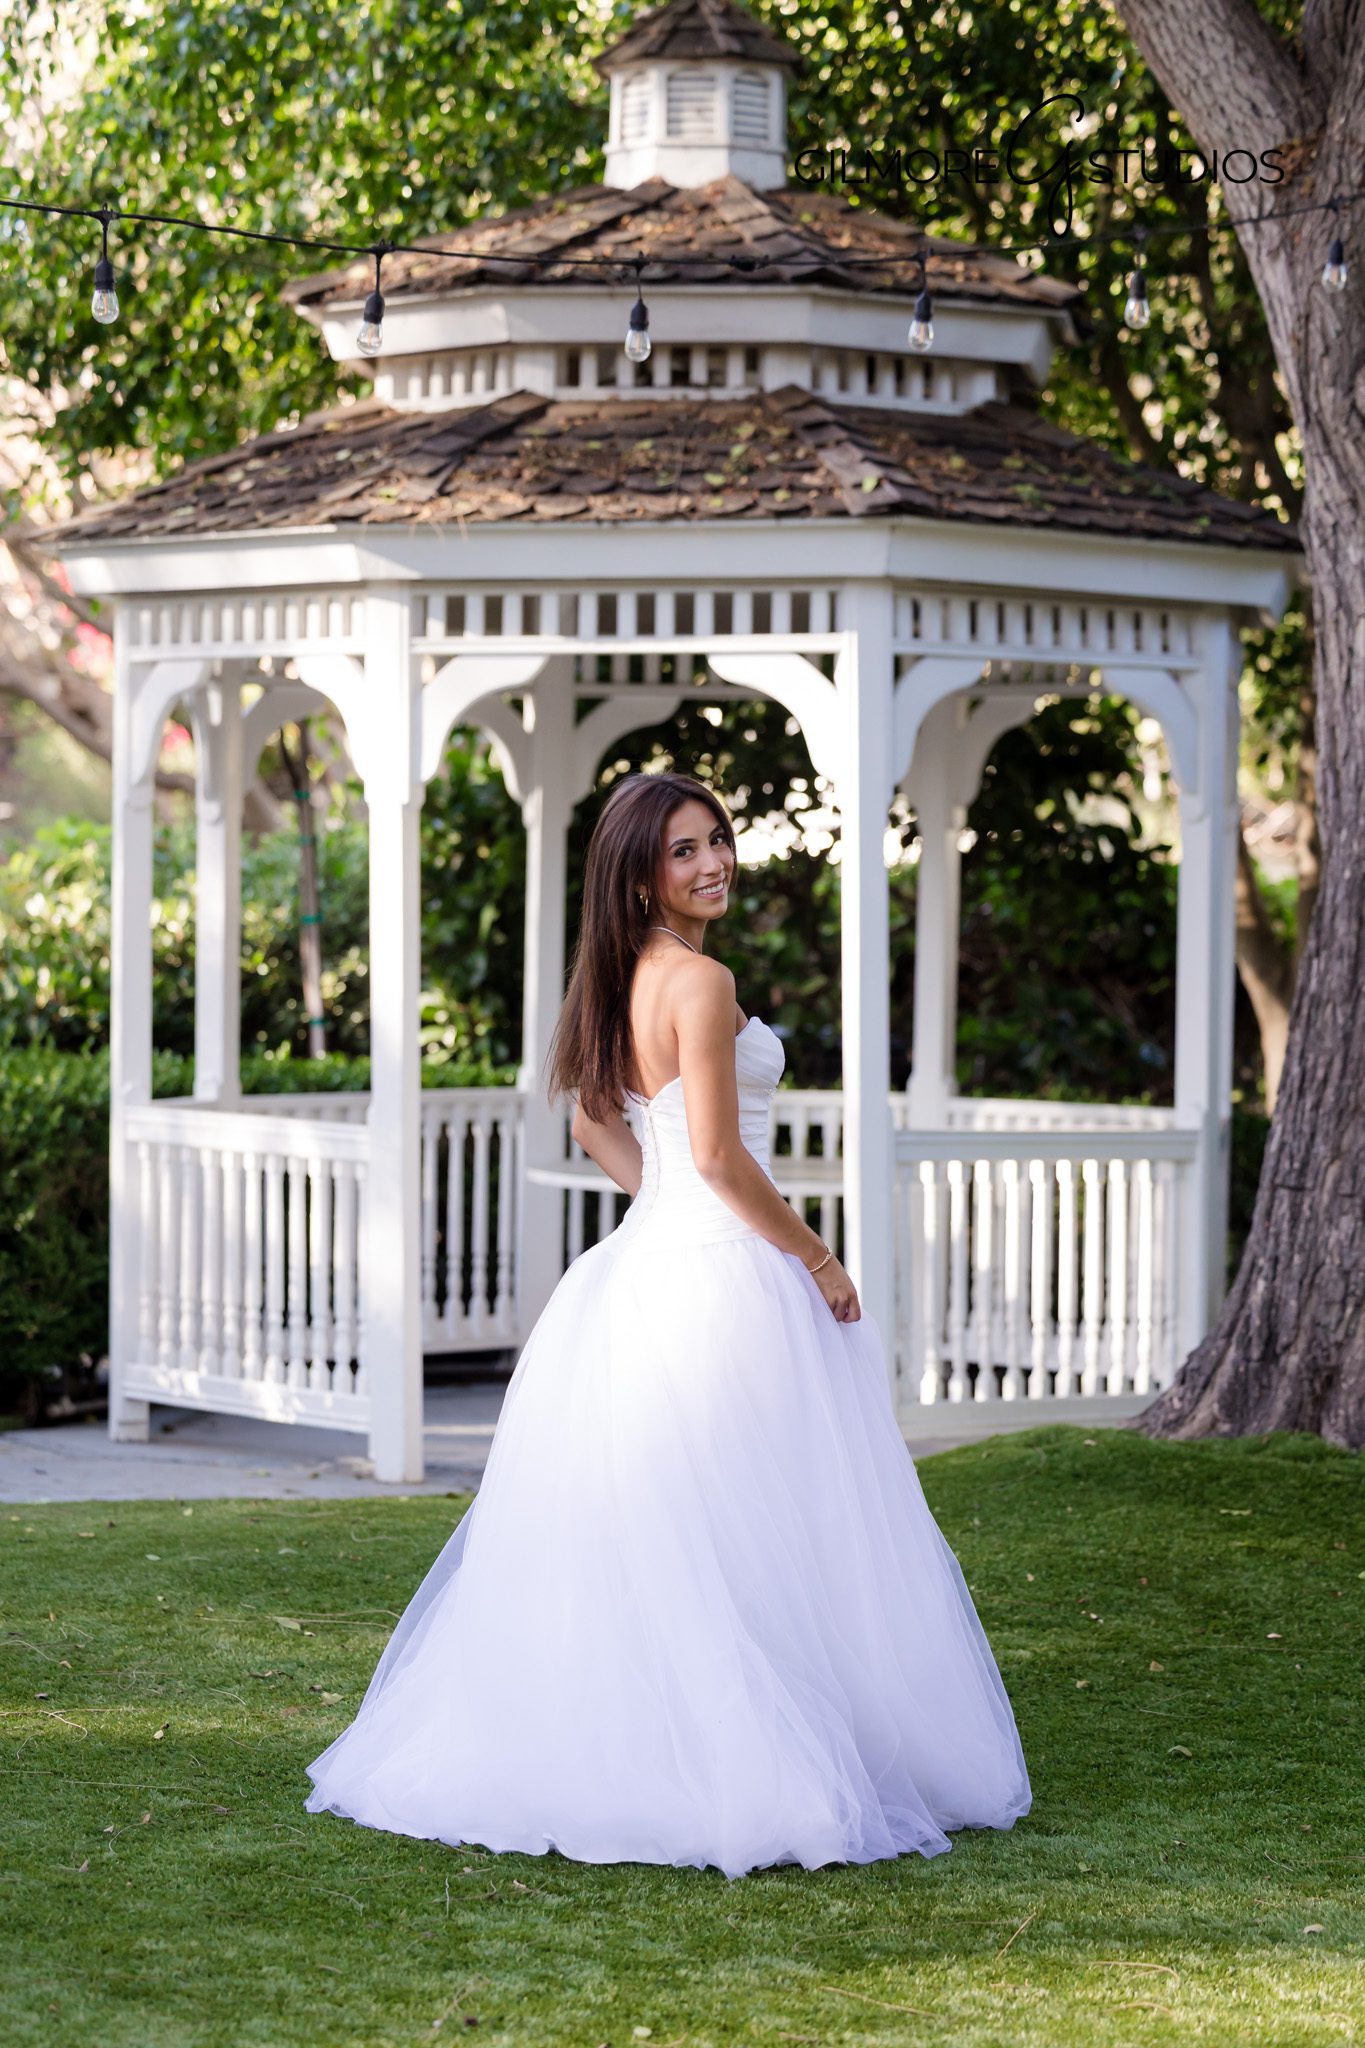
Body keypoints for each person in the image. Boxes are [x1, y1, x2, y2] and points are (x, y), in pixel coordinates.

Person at [304, 770, 1032, 1878]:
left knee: (693, 1528)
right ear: (641, 872)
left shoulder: (617, 977)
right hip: (720, 1272)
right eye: (685, 850)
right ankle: (746, 1760)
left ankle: (673, 1743)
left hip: (648, 1262)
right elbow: (720, 1157)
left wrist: (657, 1205)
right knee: (759, 1522)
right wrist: (818, 1255)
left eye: (717, 840)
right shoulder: (697, 979)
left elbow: (600, 1114)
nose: (712, 863)